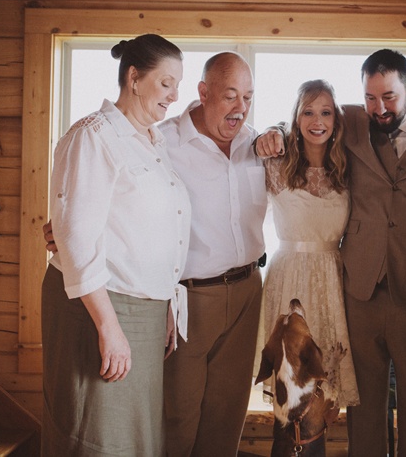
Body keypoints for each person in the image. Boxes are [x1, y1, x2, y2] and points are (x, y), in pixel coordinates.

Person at [258, 49, 406, 456]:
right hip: (358, 293)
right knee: (362, 413)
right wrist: (272, 130)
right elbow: (302, 117)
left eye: (388, 96)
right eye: (370, 97)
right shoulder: (350, 119)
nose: (379, 107)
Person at [41, 34, 190, 456]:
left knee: (134, 439)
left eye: (178, 86)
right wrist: (108, 327)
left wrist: (162, 301)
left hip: (141, 312)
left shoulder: (152, 141)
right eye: (167, 83)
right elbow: (75, 236)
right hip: (100, 308)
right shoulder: (93, 135)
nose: (175, 96)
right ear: (134, 78)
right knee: (96, 437)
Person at [159, 51, 267, 457]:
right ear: (203, 92)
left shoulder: (255, 142)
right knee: (178, 416)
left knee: (227, 416)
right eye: (230, 96)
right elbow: (121, 196)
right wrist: (70, 228)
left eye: (249, 97)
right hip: (190, 299)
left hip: (247, 291)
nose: (240, 108)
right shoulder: (162, 141)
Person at [256, 79, 360, 409]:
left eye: (326, 113)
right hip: (287, 280)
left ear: (336, 120)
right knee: (290, 383)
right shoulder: (274, 164)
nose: (318, 122)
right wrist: (271, 130)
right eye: (309, 113)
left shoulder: (348, 167)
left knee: (325, 386)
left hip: (331, 279)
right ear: (296, 119)